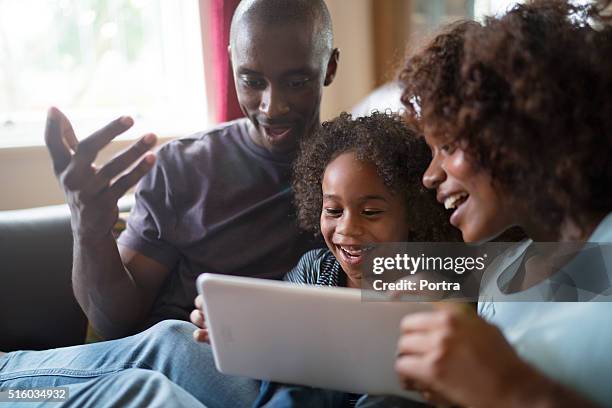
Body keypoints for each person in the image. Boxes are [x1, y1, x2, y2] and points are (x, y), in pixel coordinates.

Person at [1, 0, 339, 405]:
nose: (272, 105)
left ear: (330, 67)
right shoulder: (184, 166)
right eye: (251, 81)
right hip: (180, 363)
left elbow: (418, 283)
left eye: (297, 82)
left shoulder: (363, 170)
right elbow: (114, 322)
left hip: (275, 379)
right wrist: (88, 227)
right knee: (171, 347)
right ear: (231, 62)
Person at [394, 1, 612, 407]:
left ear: (519, 130)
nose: (429, 175)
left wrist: (511, 390)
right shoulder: (504, 278)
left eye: (448, 145)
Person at [191, 111, 460, 407]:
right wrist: (233, 329)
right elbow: (273, 349)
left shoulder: (436, 279)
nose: (346, 229)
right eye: (333, 211)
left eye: (370, 212)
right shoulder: (314, 269)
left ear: (413, 212)